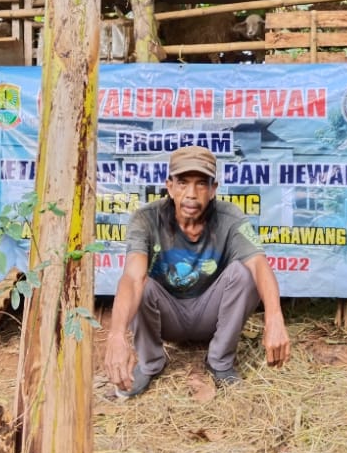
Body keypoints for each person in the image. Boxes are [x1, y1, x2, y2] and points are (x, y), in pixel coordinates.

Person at [104, 145, 291, 397]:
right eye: (182, 183)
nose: (191, 194)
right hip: (167, 316)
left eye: (201, 184)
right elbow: (132, 278)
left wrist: (274, 317)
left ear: (213, 189)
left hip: (209, 316)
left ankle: (219, 362)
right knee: (142, 282)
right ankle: (150, 364)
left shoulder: (229, 217)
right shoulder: (146, 219)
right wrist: (117, 335)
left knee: (245, 273)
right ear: (169, 186)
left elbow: (259, 263)